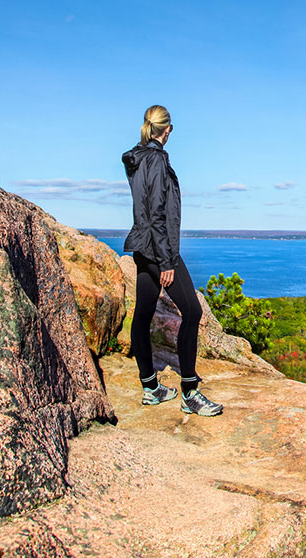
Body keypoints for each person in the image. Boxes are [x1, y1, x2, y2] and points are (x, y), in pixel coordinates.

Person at [122, 105, 222, 416]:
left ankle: (151, 387)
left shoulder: (135, 159)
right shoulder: (157, 159)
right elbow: (157, 214)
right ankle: (190, 392)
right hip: (157, 249)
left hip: (141, 244)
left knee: (143, 312)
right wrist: (166, 261)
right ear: (167, 130)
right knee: (192, 311)